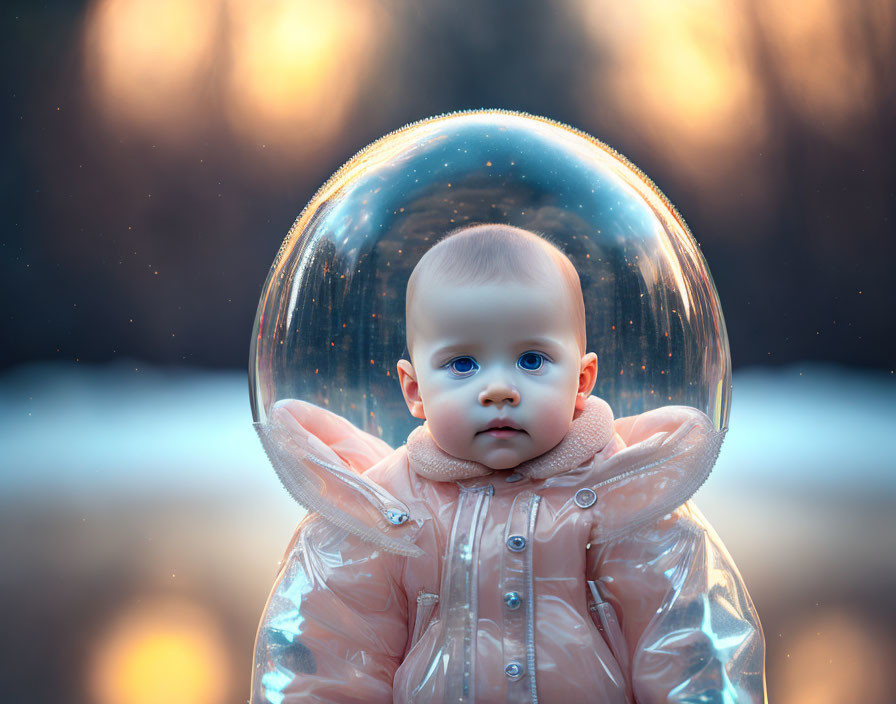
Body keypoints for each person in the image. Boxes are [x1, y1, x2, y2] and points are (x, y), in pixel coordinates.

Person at [250, 225, 767, 703]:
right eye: (462, 364)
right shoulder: (387, 512)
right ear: (414, 390)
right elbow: (333, 658)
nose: (498, 389)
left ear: (582, 381)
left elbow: (683, 644)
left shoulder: (622, 493)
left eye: (532, 360)